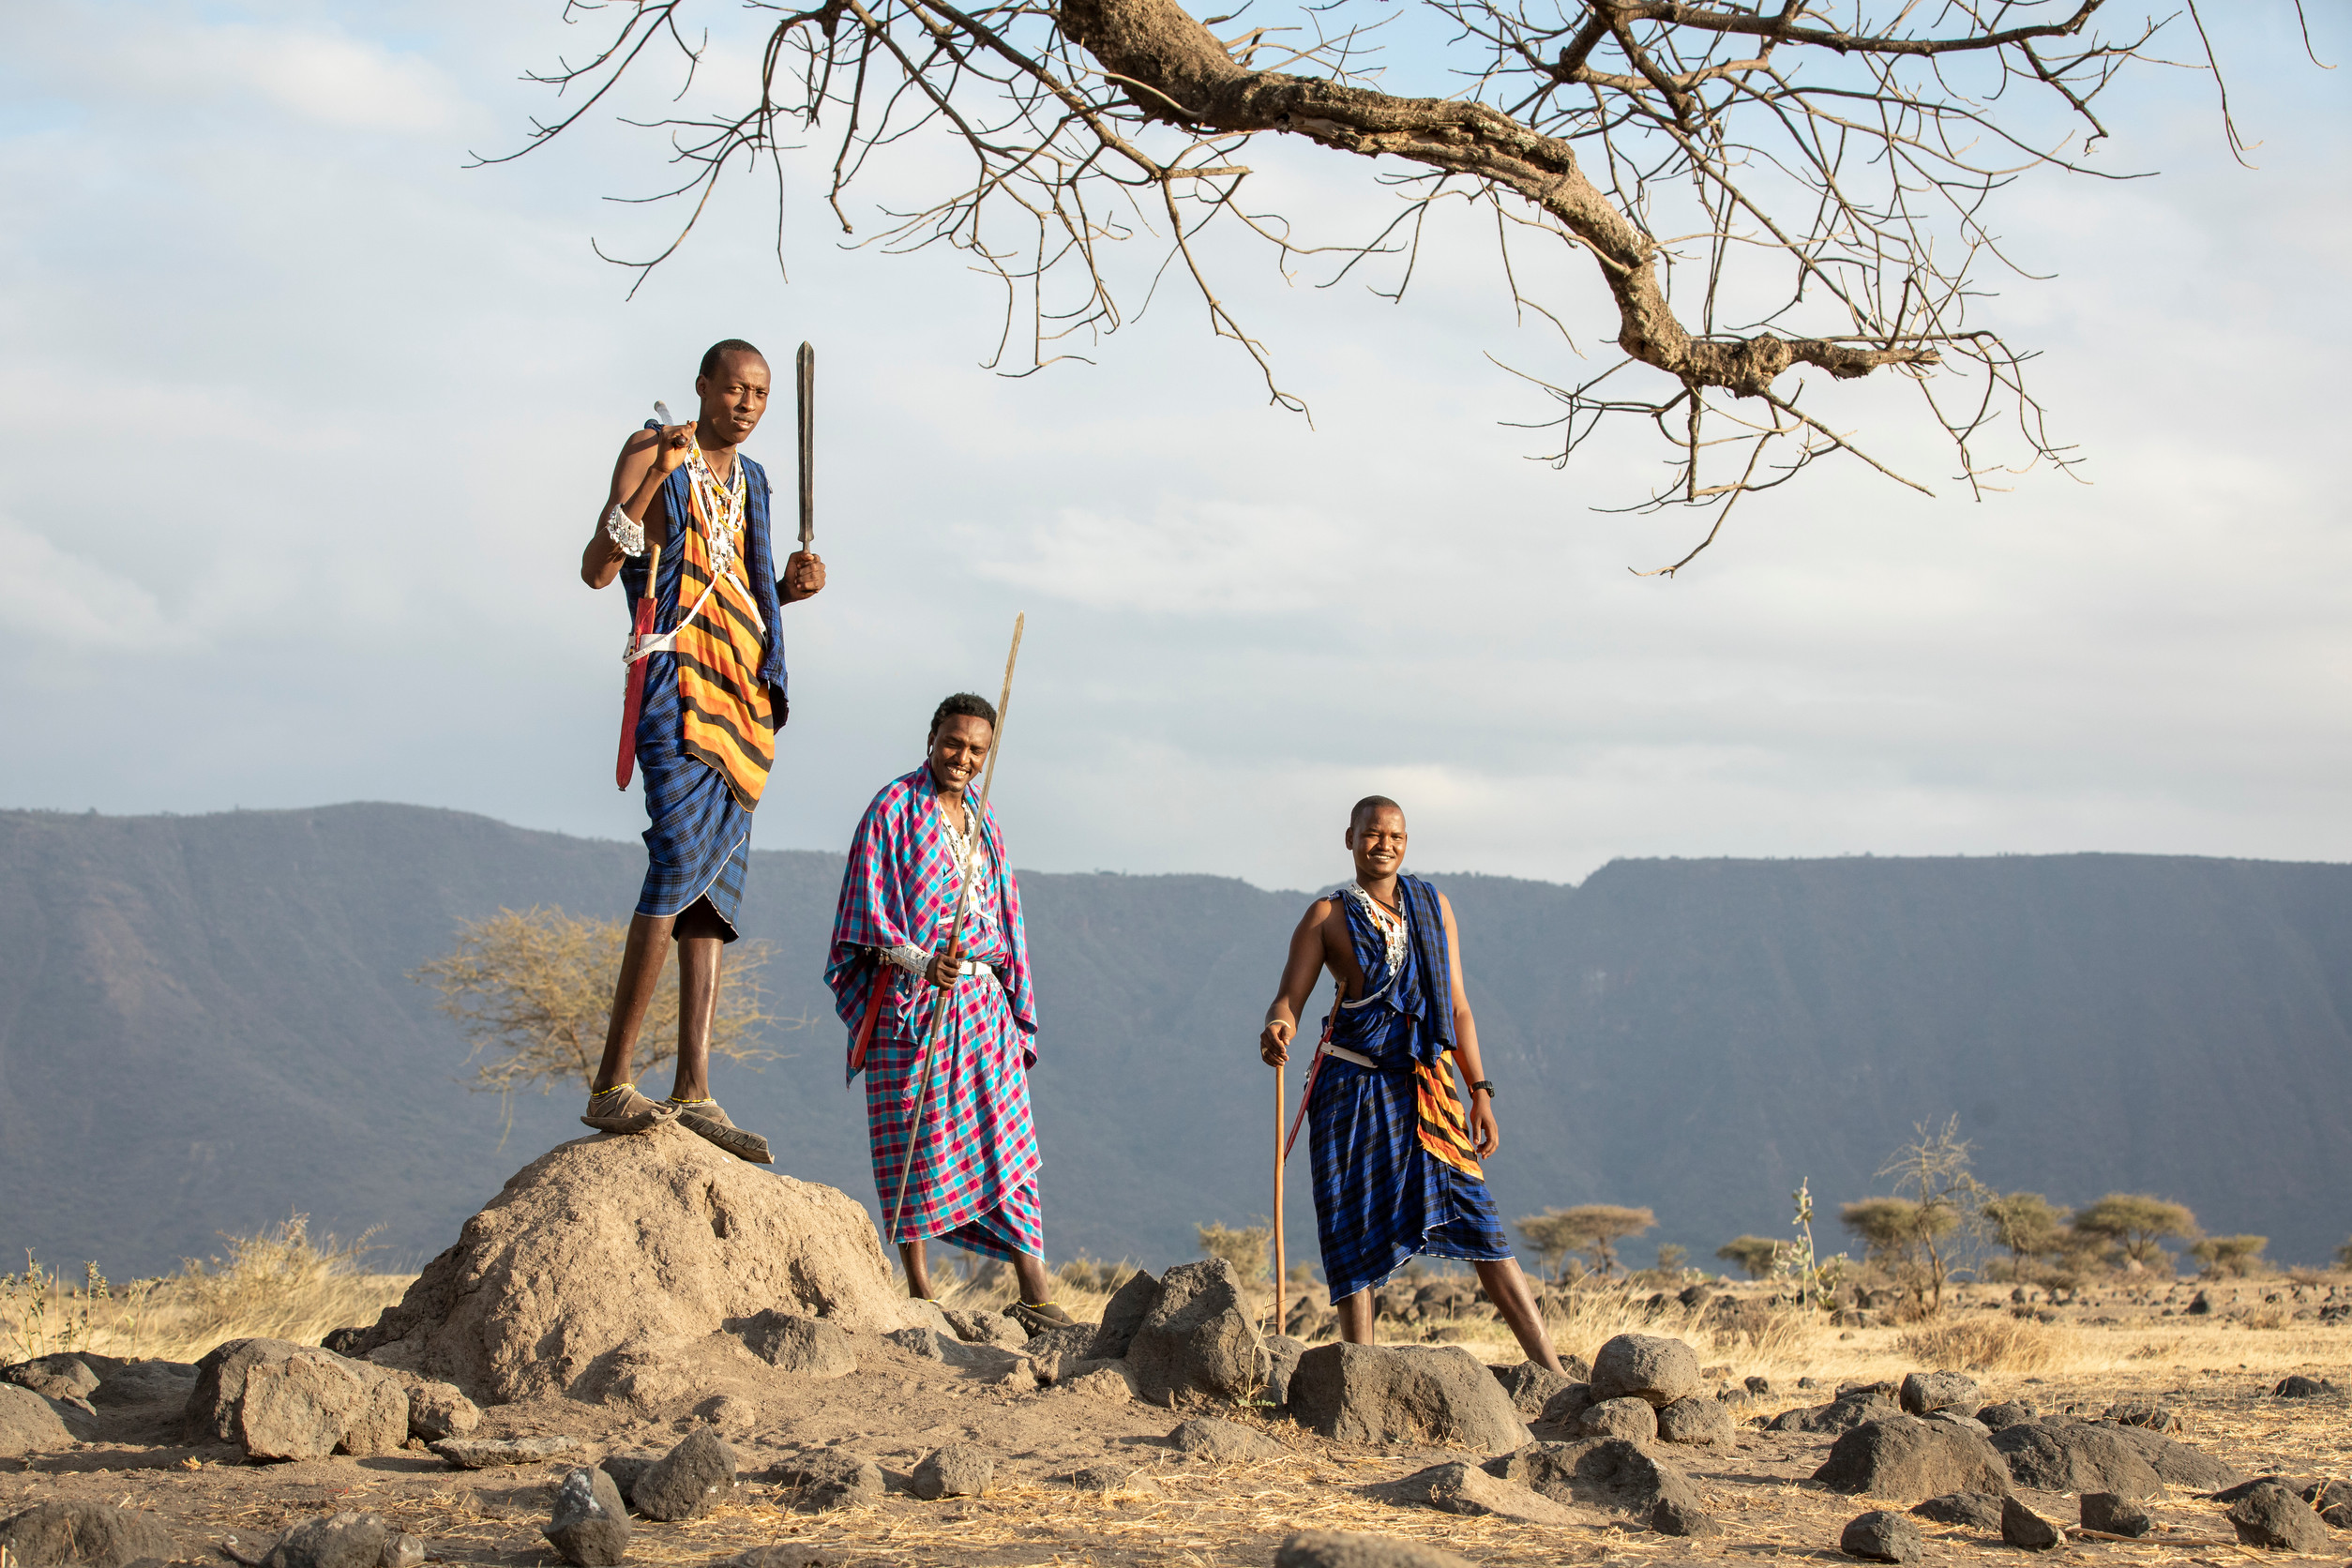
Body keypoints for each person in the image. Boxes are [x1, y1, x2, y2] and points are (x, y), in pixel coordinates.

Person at [575, 339, 826, 1160]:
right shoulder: (656, 449)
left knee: (715, 889)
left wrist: (791, 588)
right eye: (736, 389)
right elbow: (597, 565)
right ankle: (613, 1083)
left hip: (741, 694)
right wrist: (656, 474)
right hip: (673, 676)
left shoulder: (752, 481)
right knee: (678, 853)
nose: (750, 404)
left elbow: (746, 588)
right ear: (704, 387)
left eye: (760, 393)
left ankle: (693, 1090)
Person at [1259, 796, 1564, 1371]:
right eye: (1373, 834)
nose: (1385, 845)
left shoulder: (1433, 906)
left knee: (1477, 1214)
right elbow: (1289, 998)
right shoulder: (1325, 917)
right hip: (1348, 1088)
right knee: (1352, 1223)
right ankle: (1361, 1375)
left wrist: (1480, 1090)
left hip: (1428, 1087)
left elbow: (1458, 1007)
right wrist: (1278, 1026)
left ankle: (1552, 1372)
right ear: (1349, 839)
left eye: (1396, 836)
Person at [825, 694, 1074, 1330]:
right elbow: (864, 914)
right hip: (913, 1006)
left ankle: (1035, 1295)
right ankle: (919, 1290)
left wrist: (1002, 989)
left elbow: (1006, 919)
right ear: (932, 737)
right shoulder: (892, 809)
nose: (962, 758)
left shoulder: (985, 821)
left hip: (983, 1004)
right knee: (910, 1135)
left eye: (976, 751)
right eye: (953, 743)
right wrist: (919, 960)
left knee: (1007, 1143)